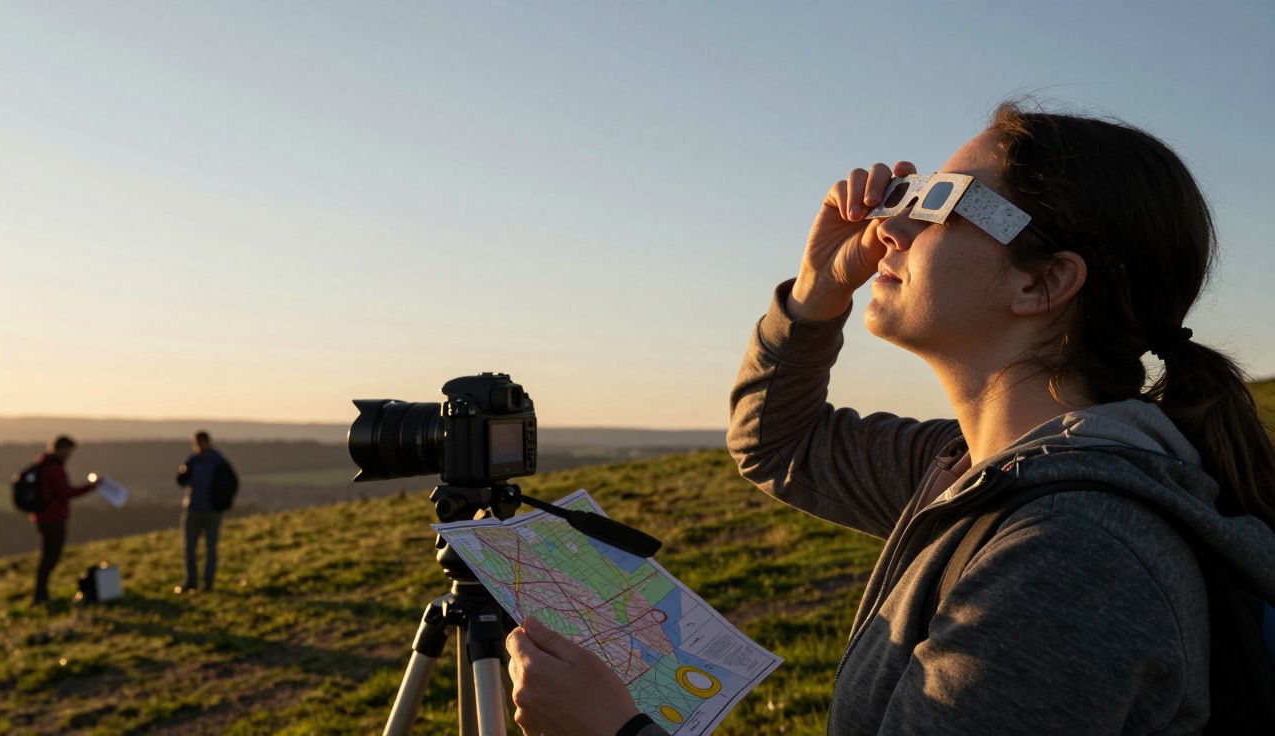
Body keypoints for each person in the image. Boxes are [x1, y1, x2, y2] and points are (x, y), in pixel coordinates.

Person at [504, 102, 1275, 735]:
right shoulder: (971, 472)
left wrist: (615, 733)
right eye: (906, 199)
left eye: (937, 204)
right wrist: (817, 290)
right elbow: (780, 445)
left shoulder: (1073, 552)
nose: (887, 230)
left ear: (1043, 283)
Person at [29, 435, 100, 604]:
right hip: (52, 519)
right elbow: (67, 493)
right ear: (61, 449)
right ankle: (40, 595)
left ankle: (41, 594)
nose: (70, 455)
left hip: (44, 517)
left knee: (48, 556)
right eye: (69, 451)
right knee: (50, 557)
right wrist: (91, 487)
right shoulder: (54, 469)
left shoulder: (44, 464)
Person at [174, 430, 234, 593]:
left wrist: (222, 504)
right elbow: (181, 481)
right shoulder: (193, 461)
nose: (199, 446)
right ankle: (191, 581)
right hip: (194, 509)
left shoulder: (218, 462)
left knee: (209, 549)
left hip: (211, 511)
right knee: (190, 549)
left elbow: (231, 483)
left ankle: (207, 583)